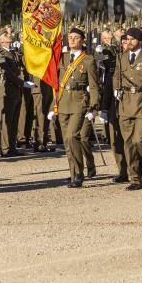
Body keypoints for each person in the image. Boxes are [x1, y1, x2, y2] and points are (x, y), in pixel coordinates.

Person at [48, 27, 99, 187]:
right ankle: (73, 173)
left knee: (72, 136)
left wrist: (93, 108)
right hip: (62, 102)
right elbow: (55, 84)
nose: (72, 40)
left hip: (79, 102)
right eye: (70, 37)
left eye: (76, 37)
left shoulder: (88, 61)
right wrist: (52, 106)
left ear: (82, 40)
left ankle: (79, 173)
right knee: (67, 142)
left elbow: (94, 86)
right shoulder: (62, 58)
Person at [113, 28, 142, 190]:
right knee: (128, 144)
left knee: (140, 140)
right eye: (127, 39)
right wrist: (116, 88)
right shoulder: (121, 57)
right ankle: (135, 179)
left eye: (133, 39)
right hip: (125, 104)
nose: (129, 42)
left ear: (139, 41)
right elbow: (116, 77)